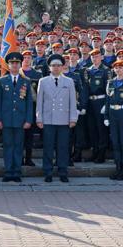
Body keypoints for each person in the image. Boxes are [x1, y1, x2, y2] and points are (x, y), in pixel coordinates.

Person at [36, 54, 78, 183]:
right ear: (49, 67)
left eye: (59, 65)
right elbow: (39, 101)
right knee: (48, 147)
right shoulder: (43, 81)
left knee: (63, 147)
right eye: (53, 65)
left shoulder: (69, 81)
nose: (56, 68)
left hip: (64, 119)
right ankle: (48, 172)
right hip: (48, 119)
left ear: (62, 67)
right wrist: (39, 118)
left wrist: (73, 118)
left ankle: (63, 172)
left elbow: (72, 101)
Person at [0, 52, 34, 183]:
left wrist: (28, 120)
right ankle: (8, 171)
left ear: (20, 64)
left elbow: (29, 102)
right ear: (8, 65)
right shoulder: (2, 80)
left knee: (18, 146)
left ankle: (17, 171)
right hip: (6, 119)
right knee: (7, 146)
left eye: (17, 63)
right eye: (12, 63)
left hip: (20, 120)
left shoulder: (26, 81)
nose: (14, 65)